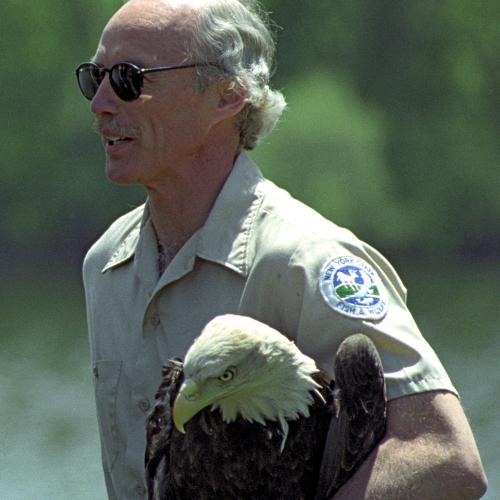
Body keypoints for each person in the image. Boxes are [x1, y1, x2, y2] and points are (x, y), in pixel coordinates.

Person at [79, 0, 487, 498]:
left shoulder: (306, 260)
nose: (100, 101)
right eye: (92, 77)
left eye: (128, 78)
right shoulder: (104, 265)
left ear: (227, 95)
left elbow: (444, 456)